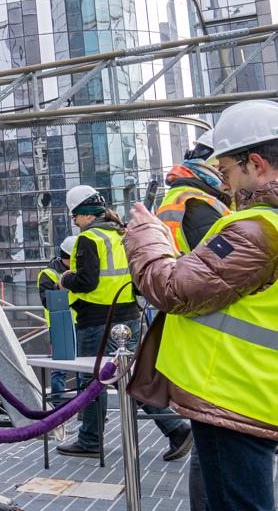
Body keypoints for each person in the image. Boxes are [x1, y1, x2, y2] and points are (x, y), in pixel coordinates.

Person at [125, 99, 278, 511]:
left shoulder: (257, 230)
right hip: (252, 385)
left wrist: (146, 237)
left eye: (226, 172)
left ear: (256, 164)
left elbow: (174, 290)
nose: (225, 185)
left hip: (234, 390)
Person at [55, 185, 193, 461]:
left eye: (75, 217)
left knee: (92, 381)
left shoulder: (89, 238)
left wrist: (66, 279)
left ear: (85, 214)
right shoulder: (123, 233)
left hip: (97, 320)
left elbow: (87, 282)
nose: (76, 223)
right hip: (128, 316)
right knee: (127, 377)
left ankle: (90, 439)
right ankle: (176, 429)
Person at [154, 133, 231, 511]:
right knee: (214, 444)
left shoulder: (192, 198)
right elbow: (223, 272)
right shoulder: (197, 204)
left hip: (200, 330)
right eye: (228, 165)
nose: (230, 176)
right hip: (211, 334)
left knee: (212, 442)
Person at [154, 131, 232, 254]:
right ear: (214, 166)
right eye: (226, 171)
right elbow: (226, 259)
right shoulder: (197, 204)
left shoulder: (183, 195)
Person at [36, 235, 76, 408]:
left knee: (85, 371)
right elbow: (47, 300)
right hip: (60, 325)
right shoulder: (48, 274)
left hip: (83, 323)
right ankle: (59, 407)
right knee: (60, 368)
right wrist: (60, 285)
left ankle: (85, 408)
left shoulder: (81, 270)